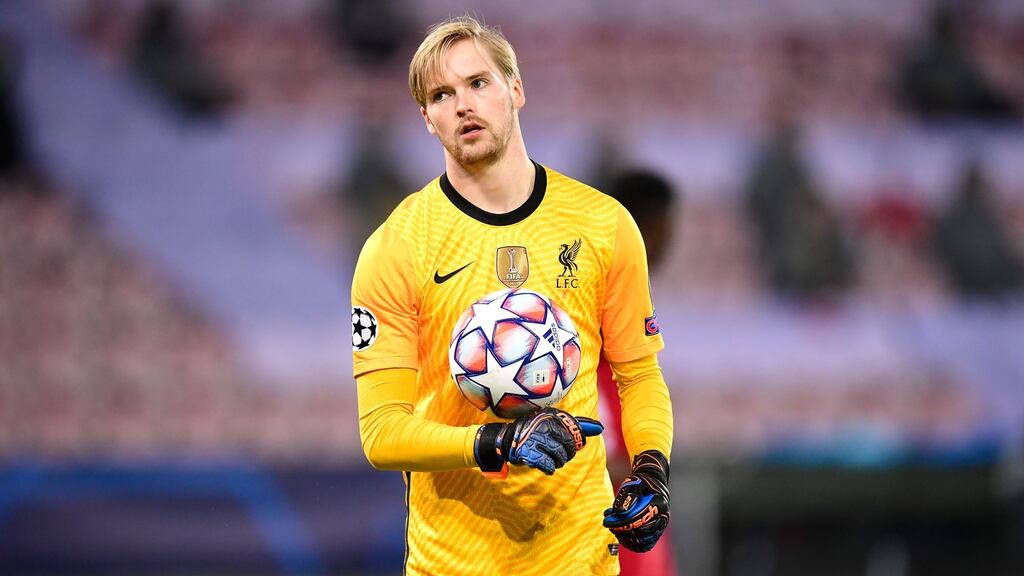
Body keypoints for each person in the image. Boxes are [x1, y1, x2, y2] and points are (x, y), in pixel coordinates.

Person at [351, 16, 674, 575]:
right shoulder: (396, 248)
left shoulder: (604, 225)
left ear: (516, 89)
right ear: (427, 119)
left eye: (479, 83)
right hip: (453, 564)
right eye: (442, 95)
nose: (462, 105)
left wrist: (650, 468)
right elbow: (381, 432)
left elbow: (639, 375)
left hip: (579, 557)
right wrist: (494, 442)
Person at [599, 169, 679, 576]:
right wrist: (614, 462)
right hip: (612, 516)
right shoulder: (597, 307)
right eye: (664, 225)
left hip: (634, 512)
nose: (670, 239)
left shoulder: (632, 303)